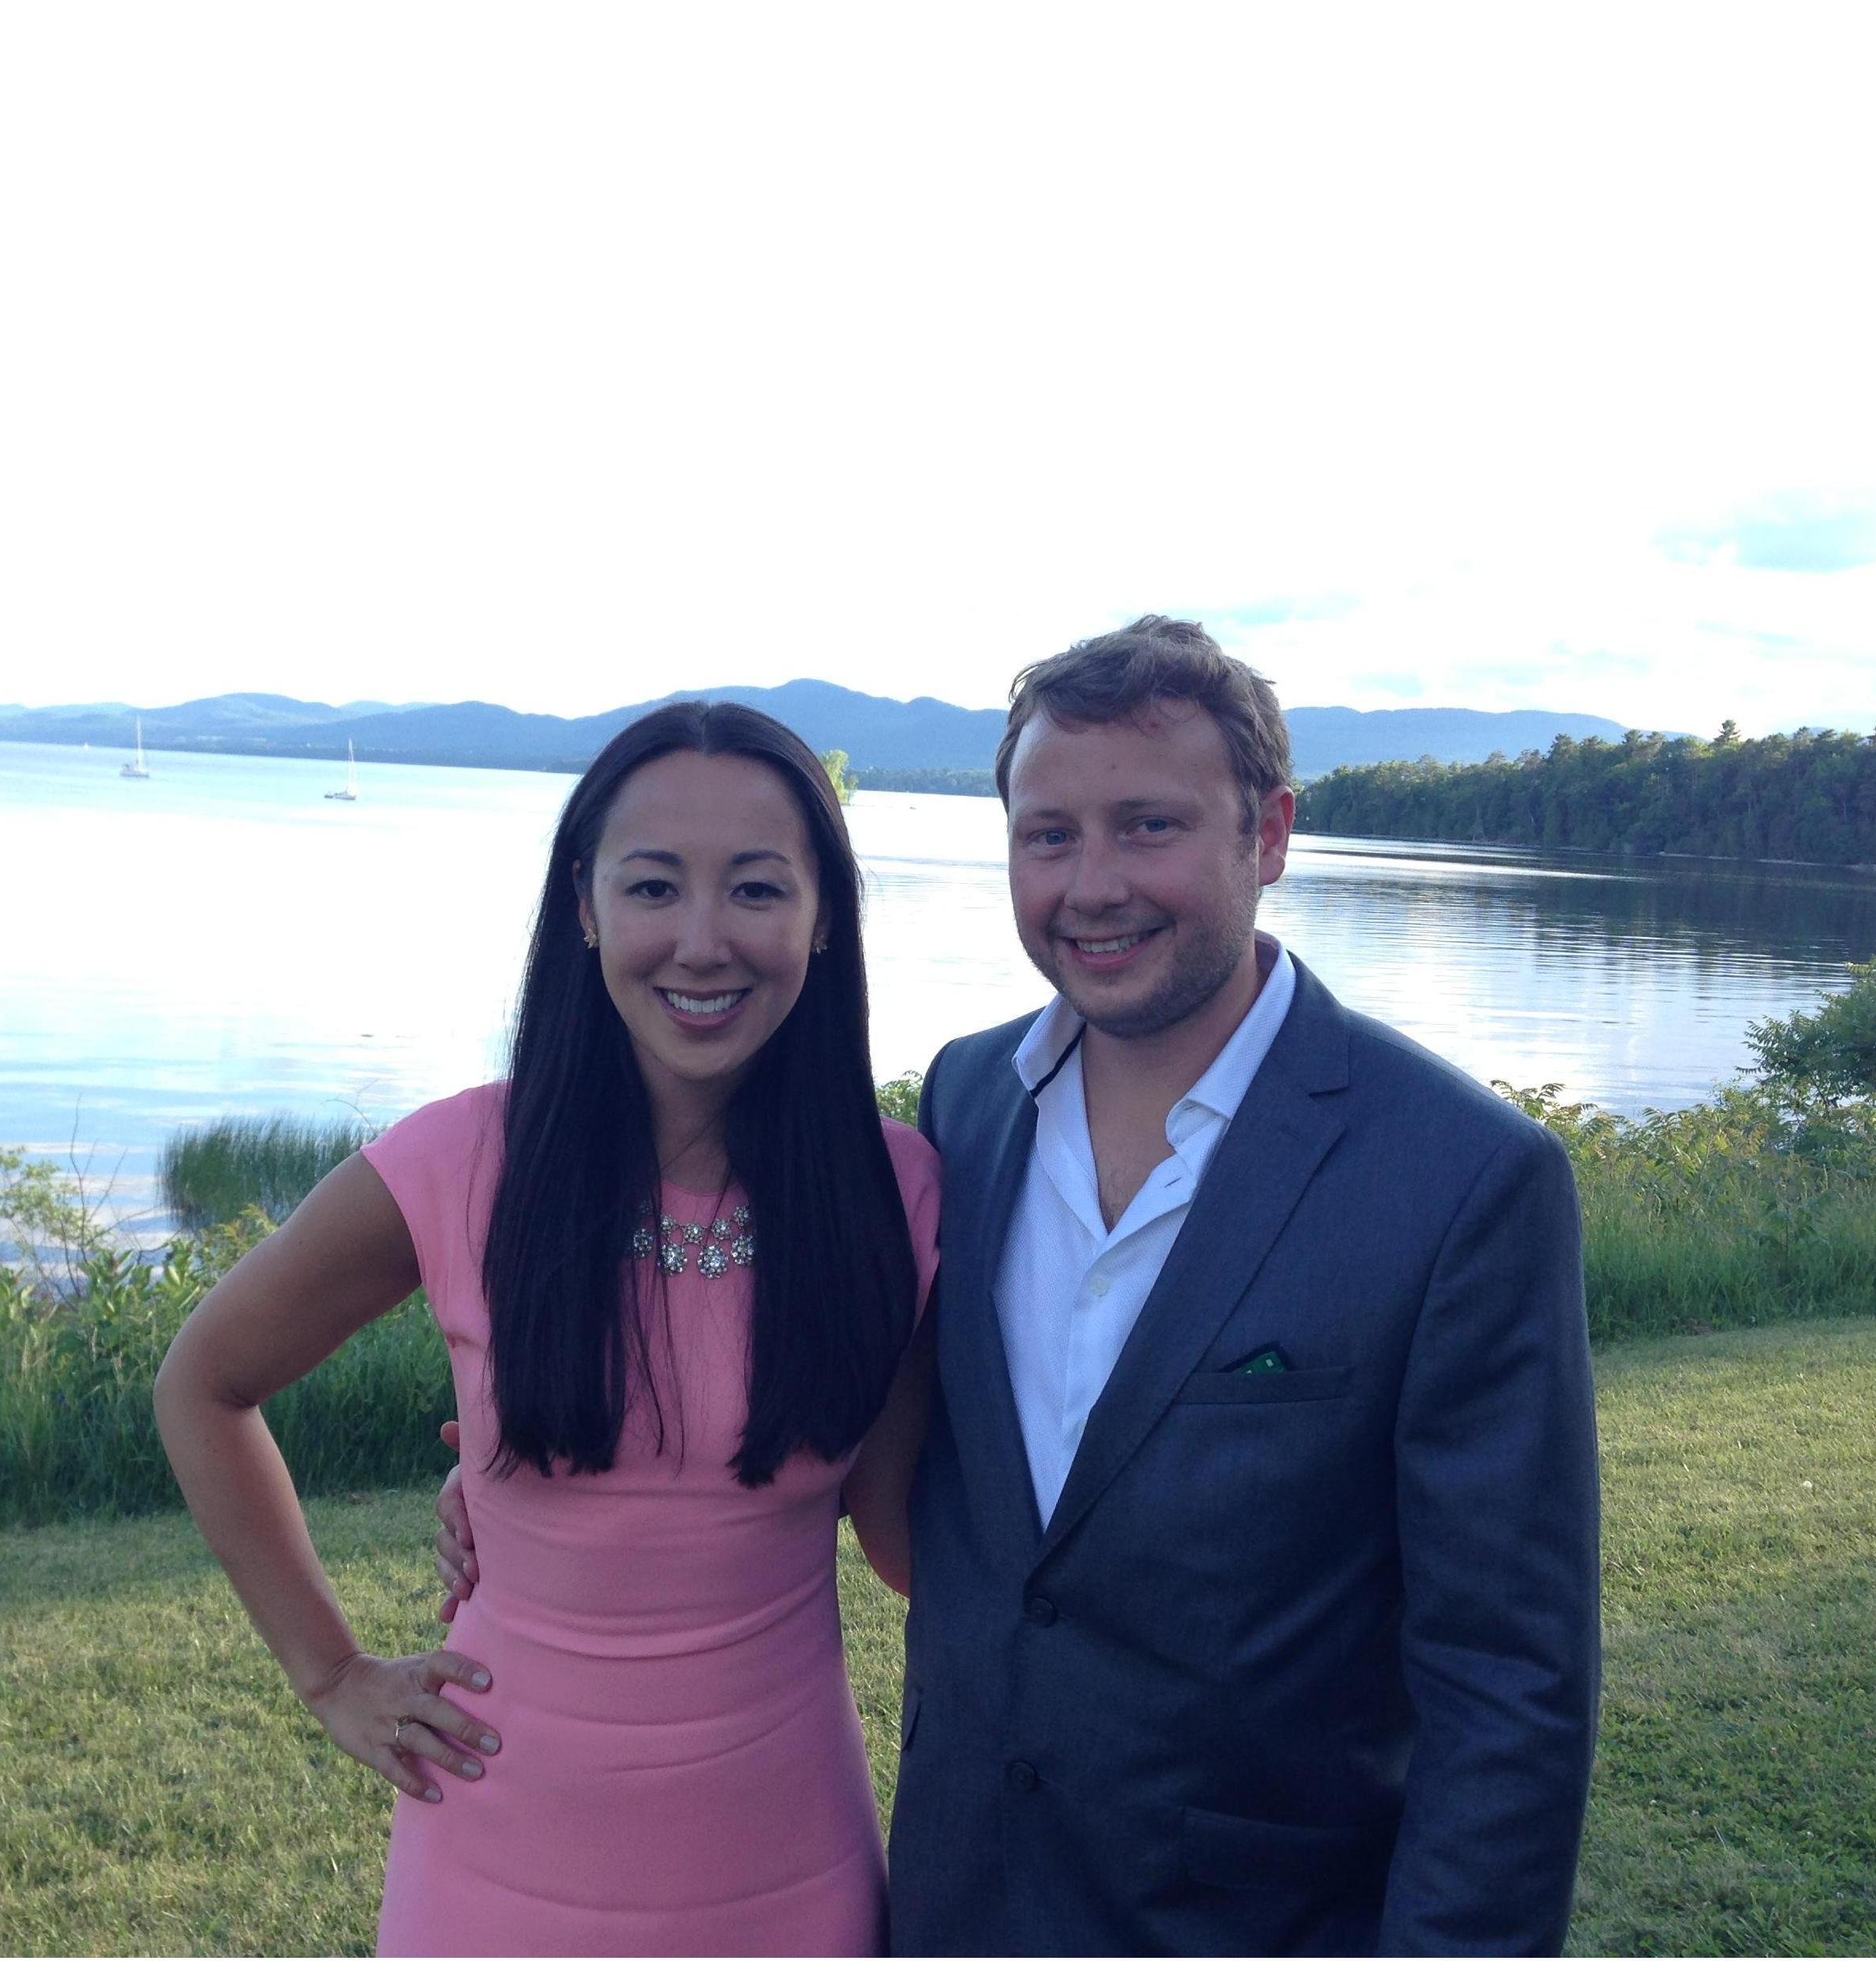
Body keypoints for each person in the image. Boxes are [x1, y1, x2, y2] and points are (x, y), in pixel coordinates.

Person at [439, 618, 1602, 1955]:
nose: (1091, 884)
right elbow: (879, 1447)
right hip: (952, 1903)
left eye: (1147, 825)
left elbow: (1508, 1688)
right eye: (1047, 835)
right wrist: (522, 1471)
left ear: (1267, 834)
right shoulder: (964, 1110)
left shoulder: (1461, 1178)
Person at [155, 702, 940, 1958]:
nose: (699, 941)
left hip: (787, 1863)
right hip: (496, 1860)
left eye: (753, 888)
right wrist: (331, 1674)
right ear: (583, 906)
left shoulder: (895, 1191)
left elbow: (903, 1535)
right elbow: (206, 1381)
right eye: (650, 886)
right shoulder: (464, 1160)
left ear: (824, 915)